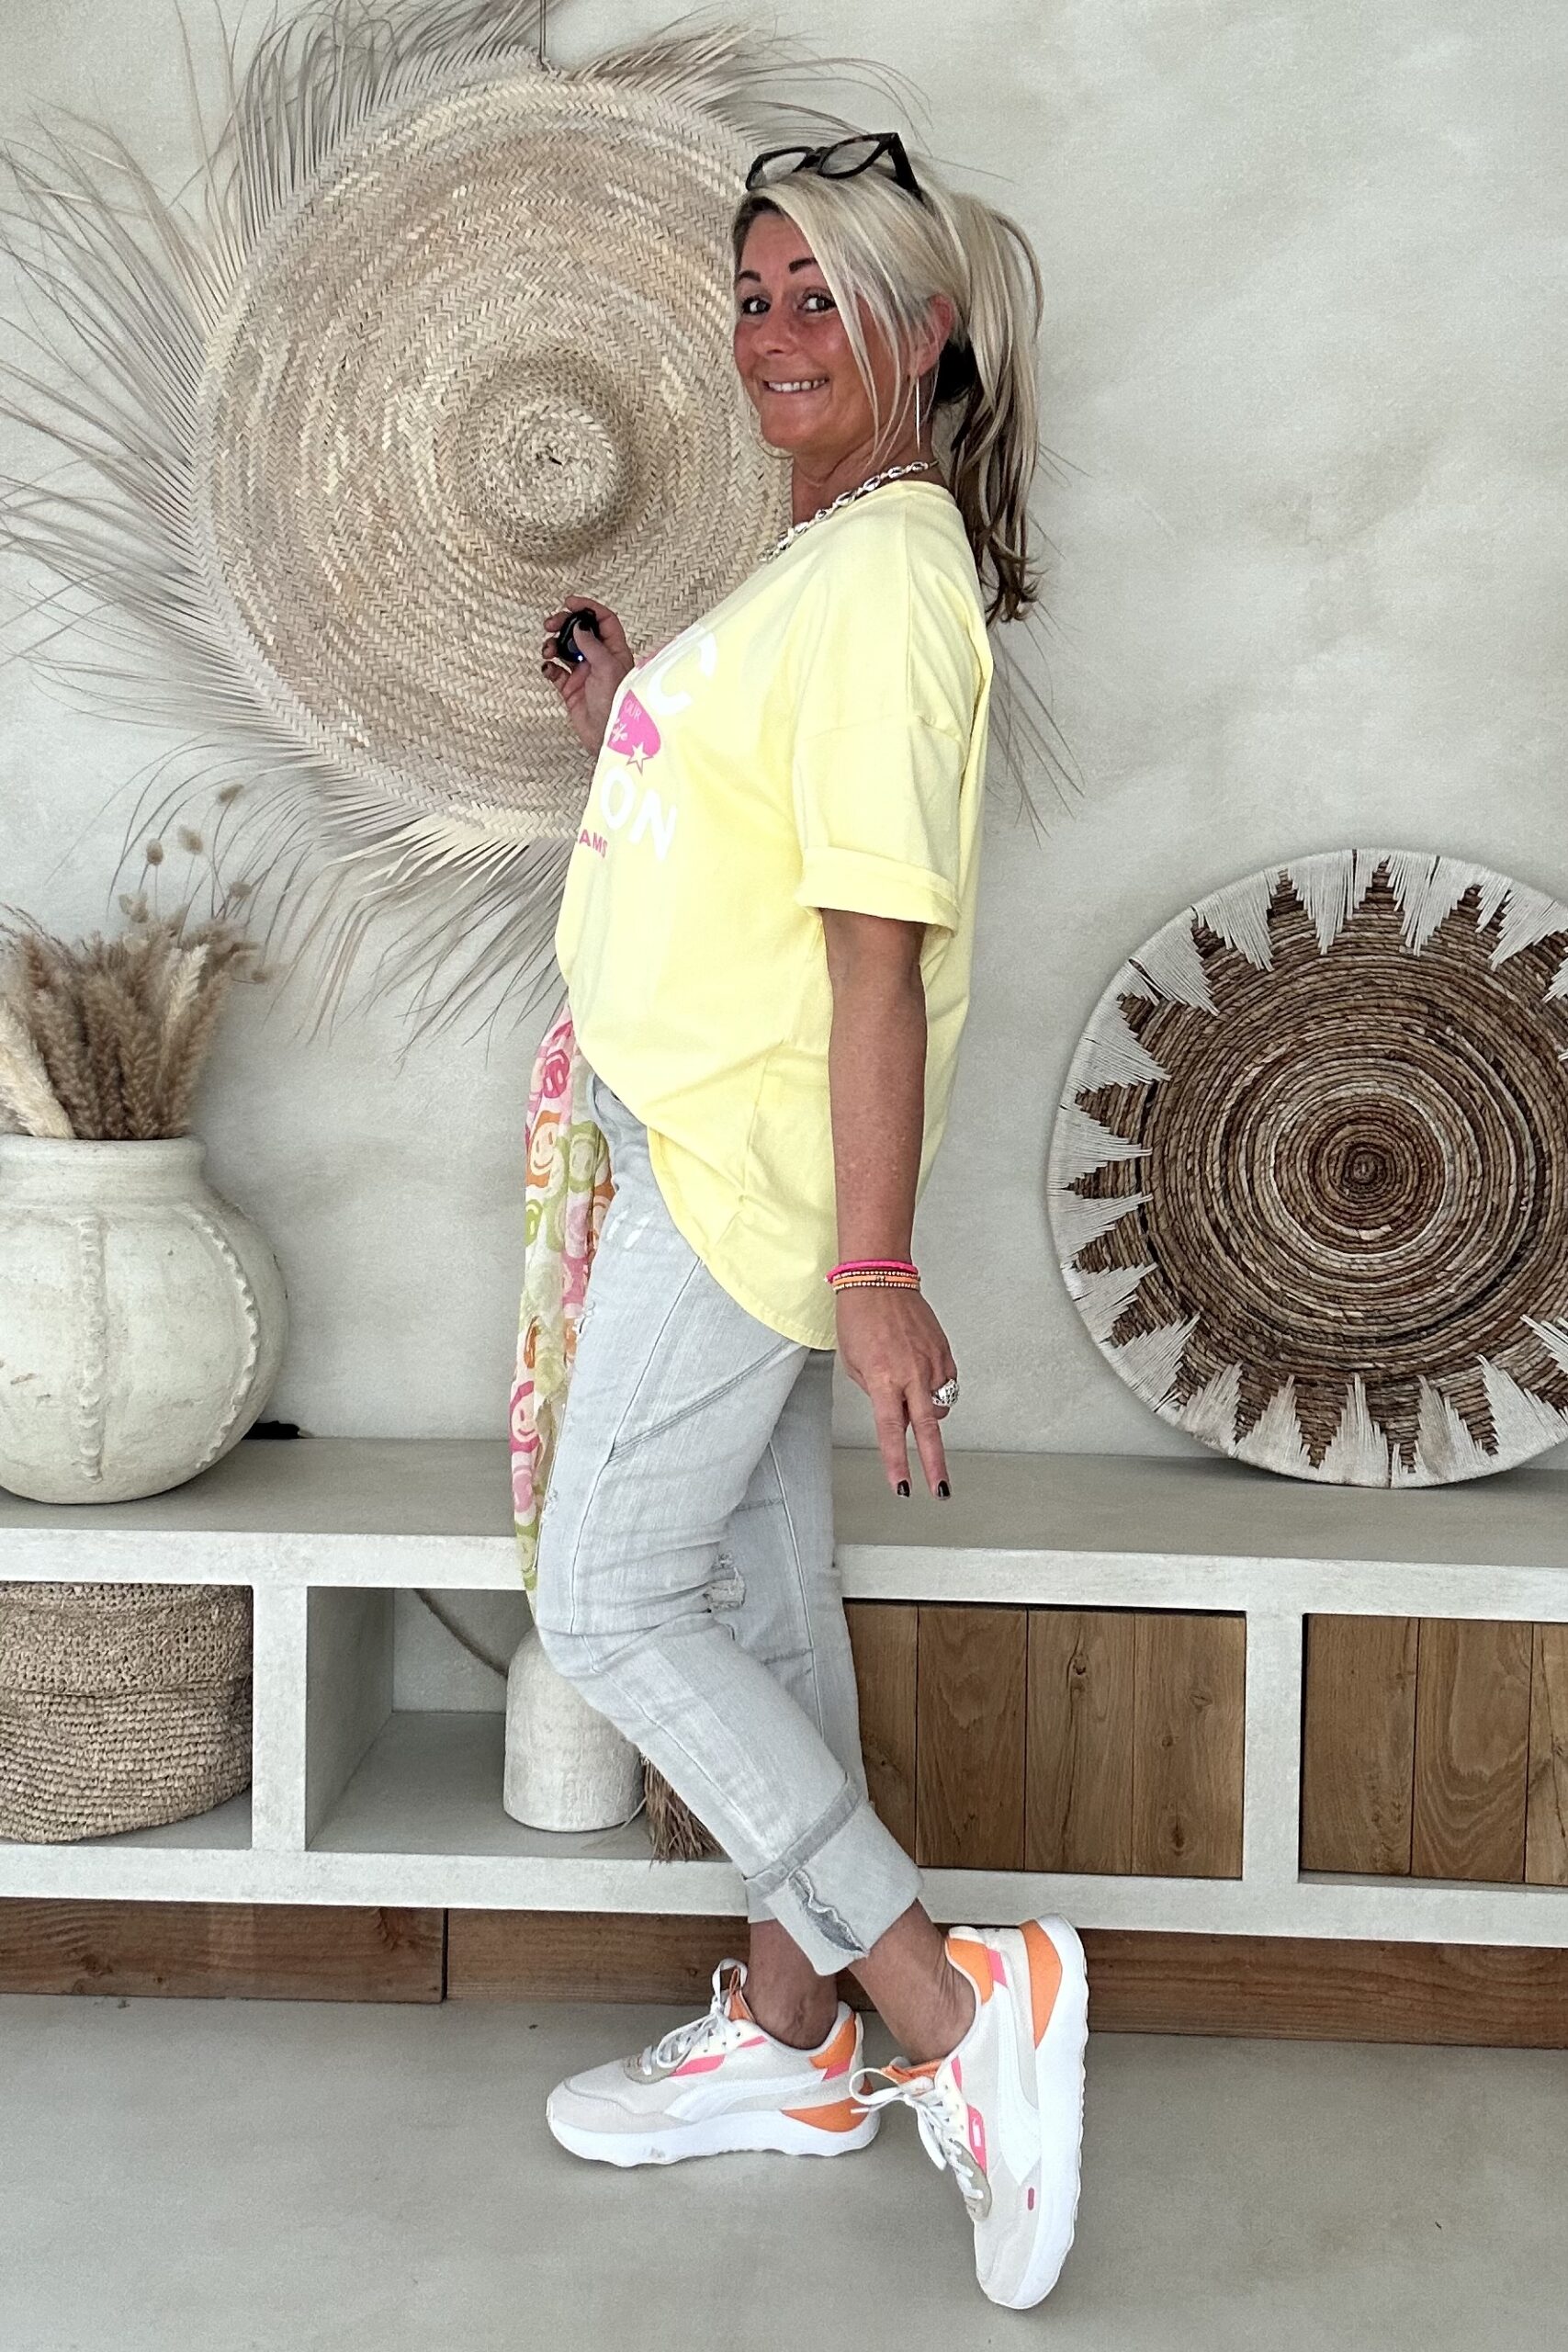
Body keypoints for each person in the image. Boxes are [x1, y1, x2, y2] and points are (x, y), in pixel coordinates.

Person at [530, 130, 1086, 2313]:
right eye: (751, 293)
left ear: (916, 329)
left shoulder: (879, 580)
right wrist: (627, 722)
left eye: (815, 296)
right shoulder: (832, 558)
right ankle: (787, 2035)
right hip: (710, 1141)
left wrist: (871, 1263)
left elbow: (873, 949)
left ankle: (948, 2002)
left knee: (606, 1596)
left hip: (746, 1172)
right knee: (756, 1614)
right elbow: (751, 842)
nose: (771, 332)